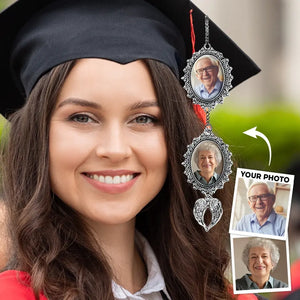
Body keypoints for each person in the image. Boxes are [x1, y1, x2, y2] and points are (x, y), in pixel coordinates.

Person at [0, 0, 260, 299]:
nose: (115, 149)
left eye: (144, 119)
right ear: (37, 137)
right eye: (82, 117)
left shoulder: (224, 295)